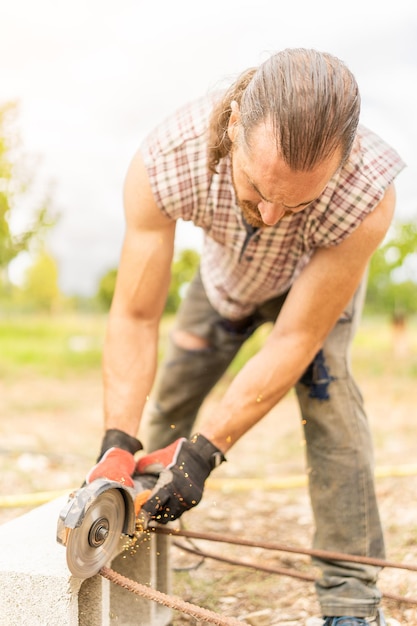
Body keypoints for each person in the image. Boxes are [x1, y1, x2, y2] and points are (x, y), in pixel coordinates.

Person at [86, 49, 405, 625]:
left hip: (309, 289)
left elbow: (293, 339)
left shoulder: (368, 193)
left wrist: (207, 452)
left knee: (332, 407)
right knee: (166, 416)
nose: (273, 214)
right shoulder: (167, 159)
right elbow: (135, 316)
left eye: (299, 202)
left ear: (344, 160)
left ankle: (351, 602)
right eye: (257, 187)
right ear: (234, 124)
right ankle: (140, 535)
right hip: (222, 284)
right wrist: (117, 441)